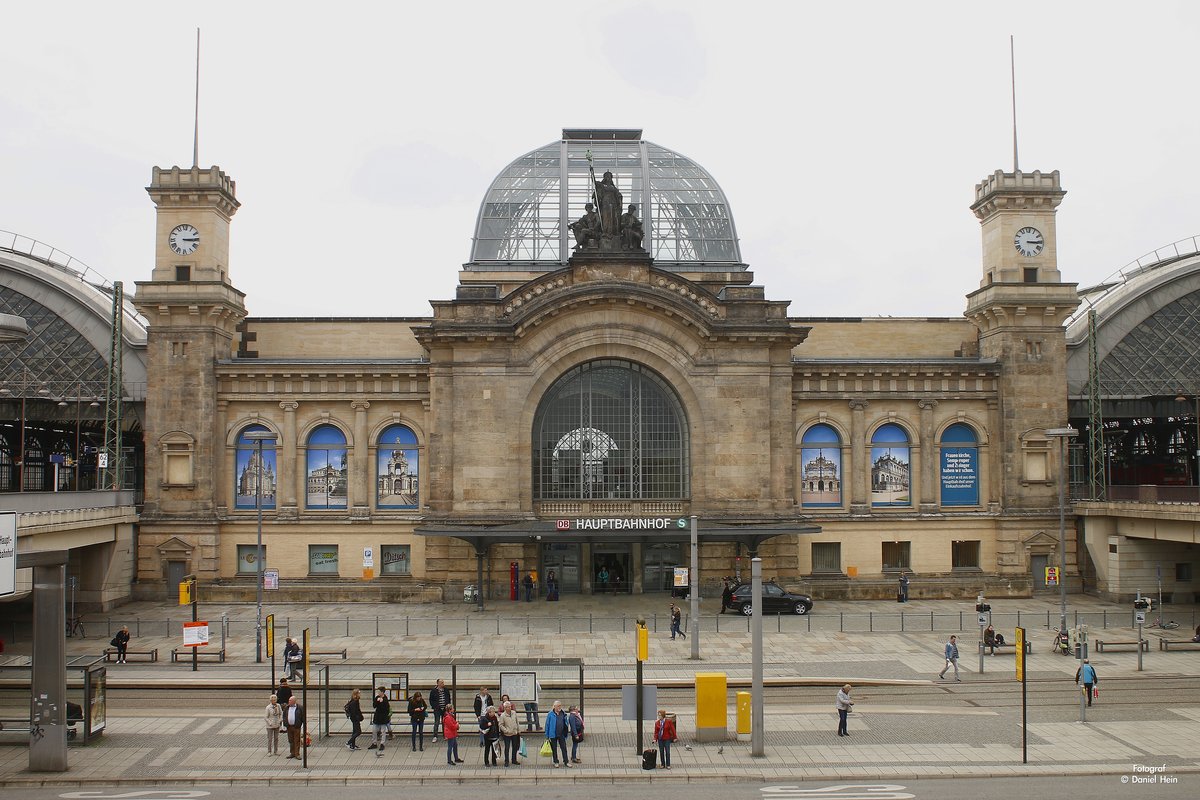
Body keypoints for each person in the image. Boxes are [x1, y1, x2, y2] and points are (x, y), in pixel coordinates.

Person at [592, 170, 623, 237]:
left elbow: (618, 195)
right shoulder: (602, 185)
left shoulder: (613, 187)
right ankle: (605, 232)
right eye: (607, 176)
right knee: (606, 217)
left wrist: (619, 201)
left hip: (613, 203)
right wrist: (592, 173)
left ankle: (612, 232)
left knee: (613, 217)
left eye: (610, 177)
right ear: (605, 177)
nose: (608, 178)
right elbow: (594, 182)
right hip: (605, 203)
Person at [545, 700, 570, 768]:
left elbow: (566, 722)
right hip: (553, 734)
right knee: (554, 749)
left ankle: (566, 761)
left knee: (564, 748)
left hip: (561, 734)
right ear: (554, 706)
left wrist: (566, 726)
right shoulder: (550, 714)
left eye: (560, 705)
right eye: (558, 706)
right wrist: (547, 735)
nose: (559, 707)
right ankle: (556, 761)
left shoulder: (563, 713)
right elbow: (547, 725)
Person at [498, 700, 521, 767]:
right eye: (507, 707)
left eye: (510, 706)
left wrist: (518, 730)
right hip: (507, 734)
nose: (509, 708)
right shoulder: (503, 715)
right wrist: (505, 731)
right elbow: (501, 725)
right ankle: (506, 761)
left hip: (514, 733)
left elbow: (517, 721)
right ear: (505, 708)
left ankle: (514, 760)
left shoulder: (514, 713)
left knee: (515, 747)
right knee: (507, 748)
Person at [370, 686, 390, 758]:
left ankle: (382, 744)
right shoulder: (377, 697)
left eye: (379, 691)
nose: (378, 693)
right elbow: (374, 706)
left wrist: (382, 702)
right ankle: (374, 743)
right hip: (377, 717)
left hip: (383, 718)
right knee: (374, 731)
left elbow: (386, 708)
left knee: (383, 731)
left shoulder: (385, 699)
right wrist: (377, 701)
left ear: (382, 692)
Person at [429, 678, 451, 742]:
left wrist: (447, 706)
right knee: (437, 722)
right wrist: (435, 706)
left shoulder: (446, 690)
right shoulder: (434, 691)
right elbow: (431, 700)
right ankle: (435, 736)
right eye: (441, 683)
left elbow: (448, 698)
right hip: (437, 709)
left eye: (443, 682)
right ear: (438, 683)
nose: (443, 684)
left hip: (444, 709)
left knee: (445, 723)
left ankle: (445, 735)